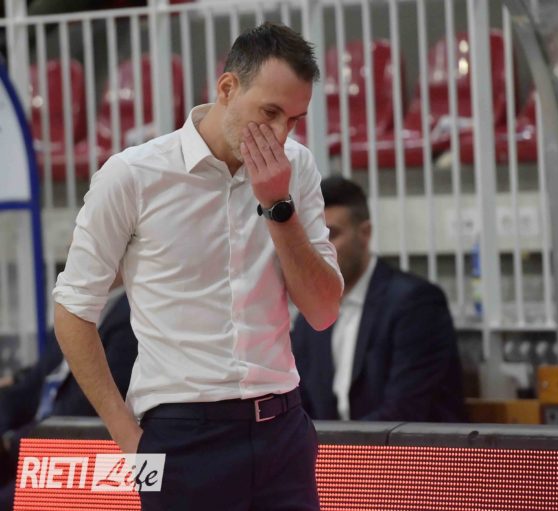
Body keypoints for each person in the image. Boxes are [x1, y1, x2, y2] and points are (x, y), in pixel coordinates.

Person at [52, 22, 342, 511]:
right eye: (269, 113)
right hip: (178, 434)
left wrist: (278, 206)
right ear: (227, 88)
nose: (279, 134)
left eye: (294, 120)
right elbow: (72, 309)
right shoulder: (132, 175)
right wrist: (129, 441)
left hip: (283, 426)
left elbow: (323, 311)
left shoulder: (298, 166)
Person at [292, 176, 465, 422]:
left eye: (332, 235)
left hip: (408, 446)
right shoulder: (309, 318)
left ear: (365, 233)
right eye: (313, 238)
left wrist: (334, 445)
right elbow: (301, 409)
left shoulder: (416, 303)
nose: (321, 249)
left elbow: (406, 412)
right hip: (335, 446)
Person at [0, 281, 136, 510]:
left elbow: (84, 407)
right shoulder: (74, 307)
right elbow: (32, 384)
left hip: (72, 454)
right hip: (32, 441)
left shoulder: (130, 317)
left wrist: (11, 442)